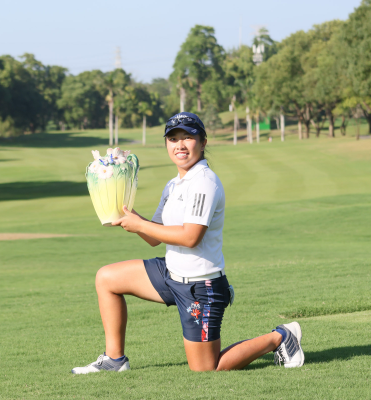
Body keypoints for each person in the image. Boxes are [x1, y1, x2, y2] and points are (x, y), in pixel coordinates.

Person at [72, 112, 304, 374]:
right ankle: (114, 360)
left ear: (203, 142)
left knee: (207, 368)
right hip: (171, 272)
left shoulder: (204, 181)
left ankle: (281, 337)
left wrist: (141, 224)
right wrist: (129, 218)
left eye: (188, 137)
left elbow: (191, 237)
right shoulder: (174, 184)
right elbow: (154, 237)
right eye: (173, 138)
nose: (179, 145)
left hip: (200, 285)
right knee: (107, 279)